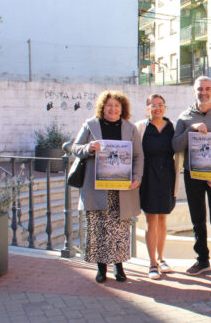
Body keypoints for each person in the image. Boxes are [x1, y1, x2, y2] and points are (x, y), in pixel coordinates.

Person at [72, 90, 143, 283]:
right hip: (96, 186)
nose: (112, 109)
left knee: (120, 227)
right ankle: (101, 268)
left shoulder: (130, 128)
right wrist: (89, 148)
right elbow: (75, 148)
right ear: (103, 107)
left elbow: (138, 155)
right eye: (109, 105)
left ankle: (119, 266)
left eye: (116, 106)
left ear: (122, 109)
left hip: (121, 186)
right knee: (98, 226)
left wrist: (137, 177)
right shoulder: (90, 125)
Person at [172, 76, 211, 281]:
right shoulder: (184, 117)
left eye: (208, 89)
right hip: (193, 175)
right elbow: (175, 146)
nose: (204, 92)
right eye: (200, 89)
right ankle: (202, 260)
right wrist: (191, 129)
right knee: (197, 219)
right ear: (194, 91)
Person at [135, 94, 179, 280]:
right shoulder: (140, 128)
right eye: (153, 105)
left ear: (165, 107)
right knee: (150, 219)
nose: (157, 108)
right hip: (149, 177)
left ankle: (161, 258)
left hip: (167, 176)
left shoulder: (172, 127)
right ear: (147, 108)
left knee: (163, 218)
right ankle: (152, 263)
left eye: (160, 105)